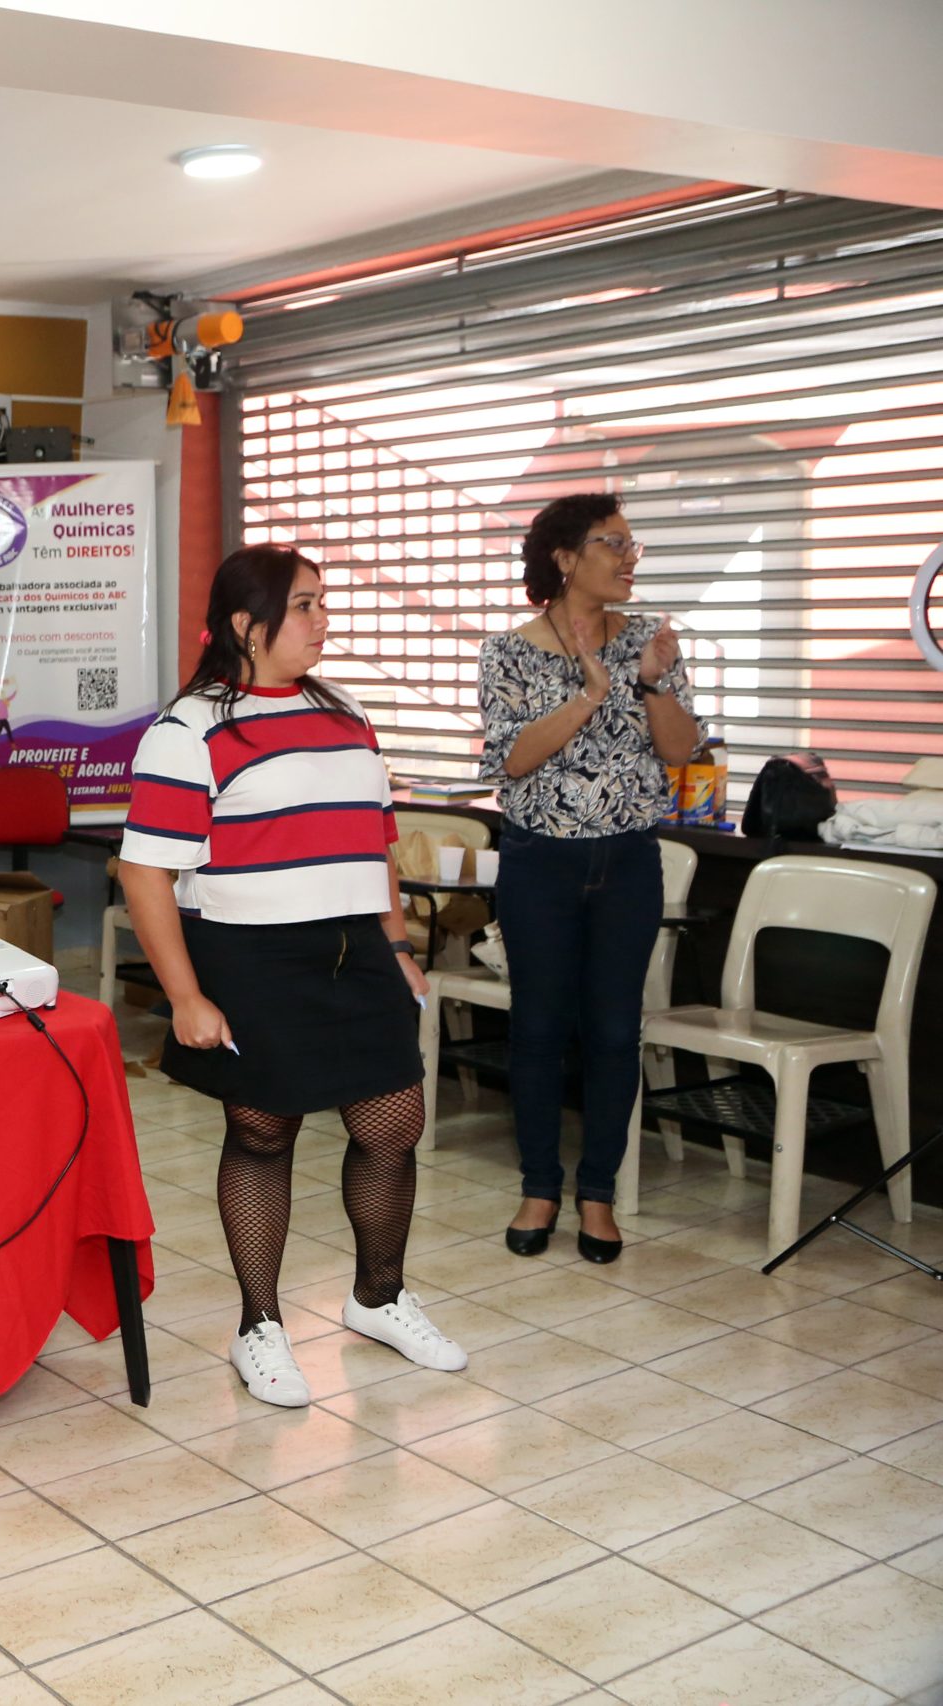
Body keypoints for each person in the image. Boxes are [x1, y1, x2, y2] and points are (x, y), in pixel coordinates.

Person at [119, 545, 466, 1409]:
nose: (322, 619)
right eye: (304, 605)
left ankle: (377, 1296)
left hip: (356, 949)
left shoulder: (343, 711)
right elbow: (145, 873)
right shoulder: (188, 729)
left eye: (322, 602)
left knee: (393, 1123)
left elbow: (374, 838)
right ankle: (259, 1326)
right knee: (264, 1134)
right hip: (253, 954)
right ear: (246, 624)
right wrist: (186, 997)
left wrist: (395, 943)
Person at [481, 495, 702, 1264]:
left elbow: (680, 752)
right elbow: (511, 761)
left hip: (629, 862)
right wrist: (589, 692)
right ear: (566, 558)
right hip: (539, 862)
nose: (630, 556)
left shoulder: (651, 641)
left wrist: (649, 684)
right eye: (614, 543)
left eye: (633, 543)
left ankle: (599, 1196)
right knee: (539, 1028)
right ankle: (539, 1186)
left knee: (614, 1032)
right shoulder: (508, 651)